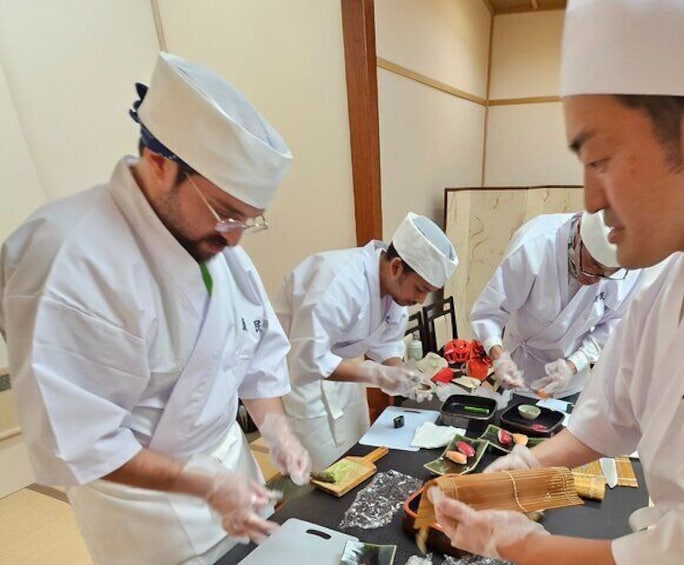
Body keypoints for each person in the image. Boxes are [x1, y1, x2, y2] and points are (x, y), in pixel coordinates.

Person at [429, 0, 684, 563]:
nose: (591, 200)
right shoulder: (680, 267)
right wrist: (528, 467)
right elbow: (613, 414)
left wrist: (523, 546)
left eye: (600, 159)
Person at [0, 52, 312, 564]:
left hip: (232, 473)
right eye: (226, 213)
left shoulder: (213, 247)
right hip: (143, 509)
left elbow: (257, 357)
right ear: (158, 163)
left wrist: (276, 429)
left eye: (249, 220)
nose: (235, 238)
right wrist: (201, 486)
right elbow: (80, 440)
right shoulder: (66, 259)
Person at [275, 212, 458, 469]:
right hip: (303, 378)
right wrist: (376, 375)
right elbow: (308, 359)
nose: (421, 301)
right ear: (396, 267)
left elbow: (386, 340)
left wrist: (401, 372)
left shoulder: (395, 292)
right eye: (420, 289)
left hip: (347, 373)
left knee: (359, 448)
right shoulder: (338, 282)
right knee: (321, 466)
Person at [469, 210, 644, 398]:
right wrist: (499, 357)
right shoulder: (535, 245)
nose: (595, 278)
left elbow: (614, 326)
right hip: (521, 368)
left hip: (573, 377)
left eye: (608, 272)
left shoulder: (631, 267)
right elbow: (489, 313)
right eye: (592, 264)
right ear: (577, 236)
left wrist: (574, 364)